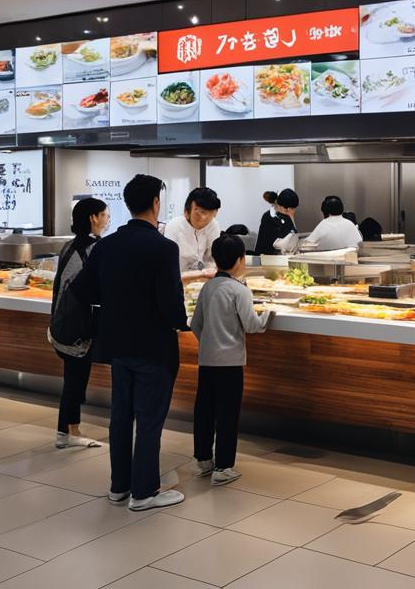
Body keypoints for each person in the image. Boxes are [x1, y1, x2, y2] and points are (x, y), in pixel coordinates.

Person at [69, 174, 187, 511]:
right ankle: (145, 491)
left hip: (116, 342)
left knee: (121, 417)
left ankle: (119, 487)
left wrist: (113, 301)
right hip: (154, 344)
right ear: (155, 203)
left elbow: (82, 290)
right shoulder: (163, 247)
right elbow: (171, 303)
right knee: (149, 418)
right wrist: (182, 323)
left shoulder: (107, 245)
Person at [191, 234, 272, 487]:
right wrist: (267, 315)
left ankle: (204, 460)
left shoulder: (208, 287)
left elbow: (195, 325)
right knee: (227, 414)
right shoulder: (239, 290)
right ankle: (224, 467)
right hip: (230, 363)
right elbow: (251, 325)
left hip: (207, 360)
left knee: (204, 411)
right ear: (240, 260)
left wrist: (209, 340)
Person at [50, 198, 110, 449]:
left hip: (62, 322)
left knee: (73, 378)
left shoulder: (69, 246)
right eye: (105, 215)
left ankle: (66, 430)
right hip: (79, 326)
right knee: (76, 379)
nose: (107, 219)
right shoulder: (96, 249)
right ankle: (69, 433)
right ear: (94, 218)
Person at [164, 187, 222, 281]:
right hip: (178, 281)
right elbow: (168, 269)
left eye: (209, 213)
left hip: (203, 282)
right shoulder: (174, 227)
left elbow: (212, 259)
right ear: (186, 212)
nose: (203, 218)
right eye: (199, 213)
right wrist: (200, 273)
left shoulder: (213, 225)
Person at [255, 189, 298, 255]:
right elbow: (271, 246)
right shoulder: (268, 217)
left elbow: (294, 235)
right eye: (291, 209)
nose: (292, 212)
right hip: (267, 259)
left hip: (283, 257)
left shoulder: (286, 215)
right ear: (286, 208)